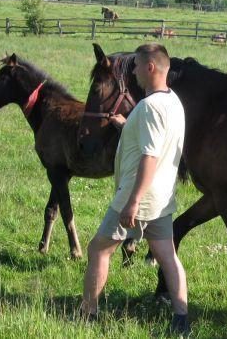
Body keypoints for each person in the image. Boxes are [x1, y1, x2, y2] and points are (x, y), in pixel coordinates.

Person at [80, 43, 189, 335]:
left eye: (137, 66)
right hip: (163, 198)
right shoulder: (172, 102)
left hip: (138, 196)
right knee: (167, 256)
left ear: (150, 67)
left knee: (98, 250)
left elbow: (150, 156)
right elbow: (158, 138)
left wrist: (133, 201)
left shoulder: (150, 106)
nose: (134, 72)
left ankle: (88, 313)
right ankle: (182, 320)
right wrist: (127, 125)